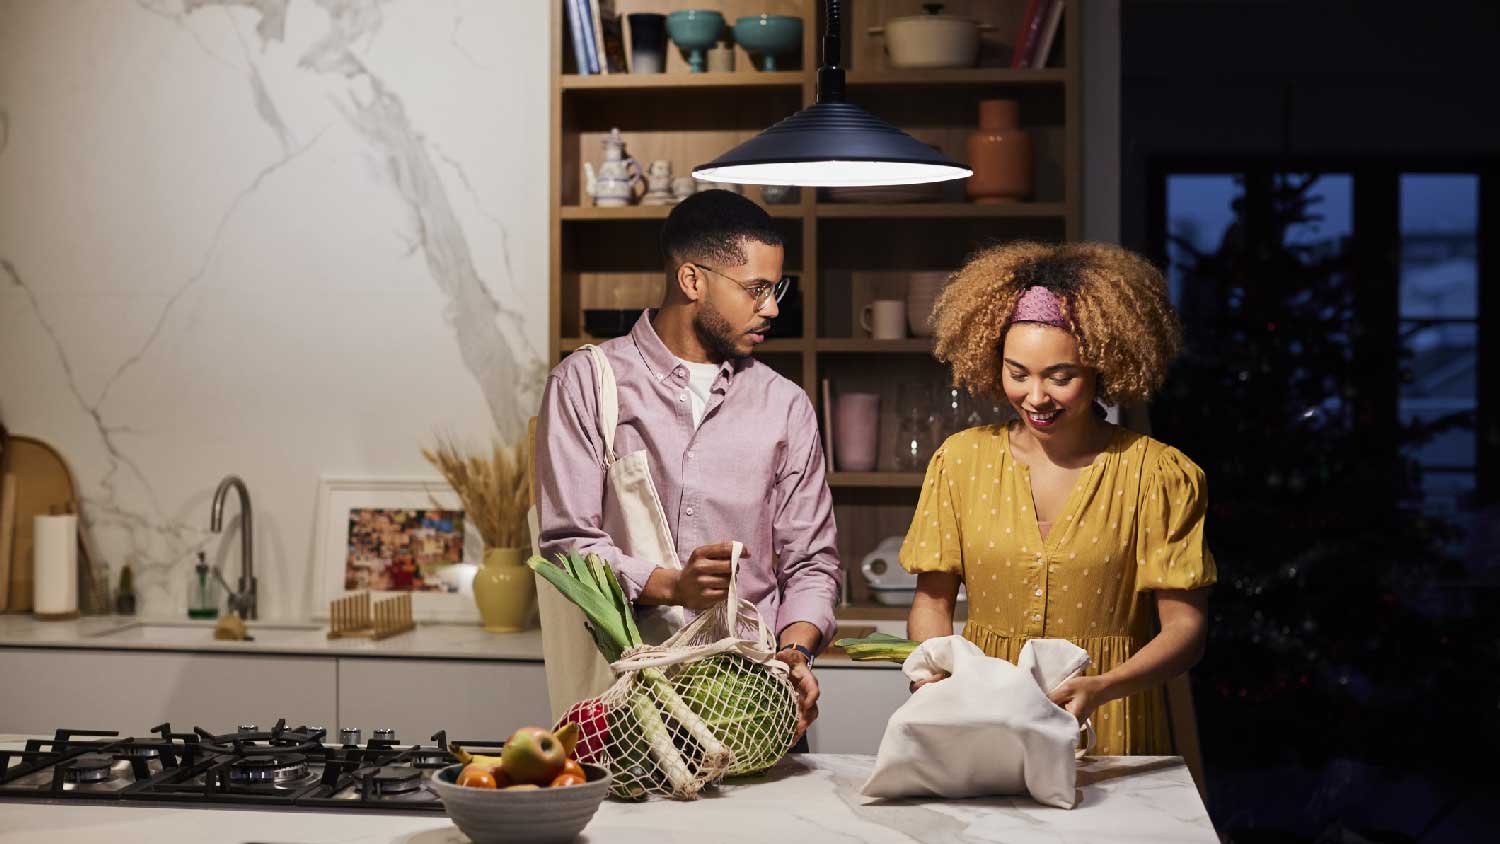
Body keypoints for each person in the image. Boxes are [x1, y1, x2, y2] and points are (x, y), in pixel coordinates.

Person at [536, 190, 840, 745]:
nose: (771, 307)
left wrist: (796, 652)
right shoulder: (586, 383)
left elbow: (813, 563)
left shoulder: (786, 405)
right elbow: (567, 546)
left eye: (777, 289)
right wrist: (673, 585)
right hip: (624, 715)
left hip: (757, 710)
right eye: (756, 290)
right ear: (692, 280)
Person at [901, 241, 1215, 756]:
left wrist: (1103, 687)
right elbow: (932, 602)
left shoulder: (1158, 474)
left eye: (1060, 376)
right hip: (984, 718)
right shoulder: (960, 462)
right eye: (1017, 372)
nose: (1036, 396)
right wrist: (934, 674)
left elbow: (1186, 630)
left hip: (1110, 719)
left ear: (1103, 368)